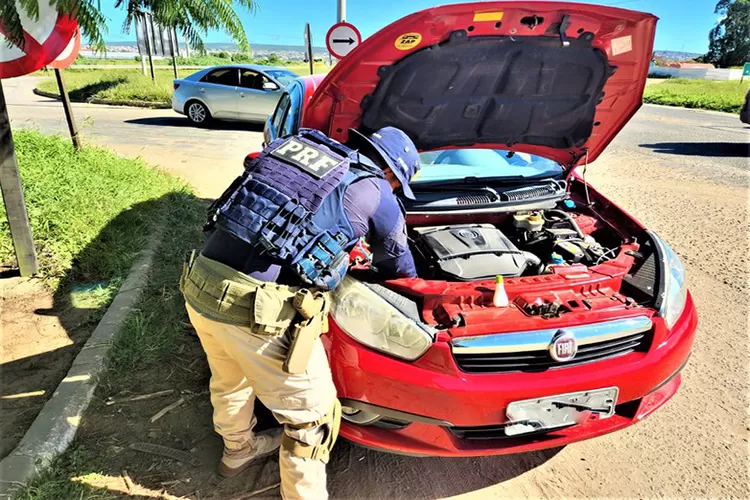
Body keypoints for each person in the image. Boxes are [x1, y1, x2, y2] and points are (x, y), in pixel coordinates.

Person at [180, 126, 421, 499]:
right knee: (313, 420)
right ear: (392, 174)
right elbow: (399, 266)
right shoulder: (376, 190)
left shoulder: (302, 154)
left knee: (231, 378)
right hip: (255, 310)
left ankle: (237, 452)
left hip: (201, 283)